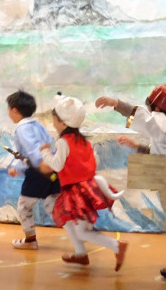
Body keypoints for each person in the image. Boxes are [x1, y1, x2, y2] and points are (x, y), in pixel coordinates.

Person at [96, 84, 166, 285]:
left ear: (156, 107)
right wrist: (137, 146)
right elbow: (162, 150)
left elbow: (141, 116)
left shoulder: (161, 121)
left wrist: (115, 103)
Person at [38, 94, 128, 270]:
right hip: (87, 189)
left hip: (76, 193)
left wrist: (45, 152)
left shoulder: (63, 142)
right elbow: (94, 162)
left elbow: (57, 165)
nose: (53, 123)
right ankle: (80, 254)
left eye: (54, 120)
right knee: (68, 220)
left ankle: (117, 246)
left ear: (63, 123)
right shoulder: (85, 142)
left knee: (81, 231)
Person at [5, 90, 58, 250]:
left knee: (24, 206)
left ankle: (30, 240)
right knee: (53, 207)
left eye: (8, 109)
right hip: (53, 169)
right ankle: (82, 230)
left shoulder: (22, 129)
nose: (8, 112)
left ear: (14, 110)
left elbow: (32, 153)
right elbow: (46, 147)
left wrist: (18, 168)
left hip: (38, 173)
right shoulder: (38, 125)